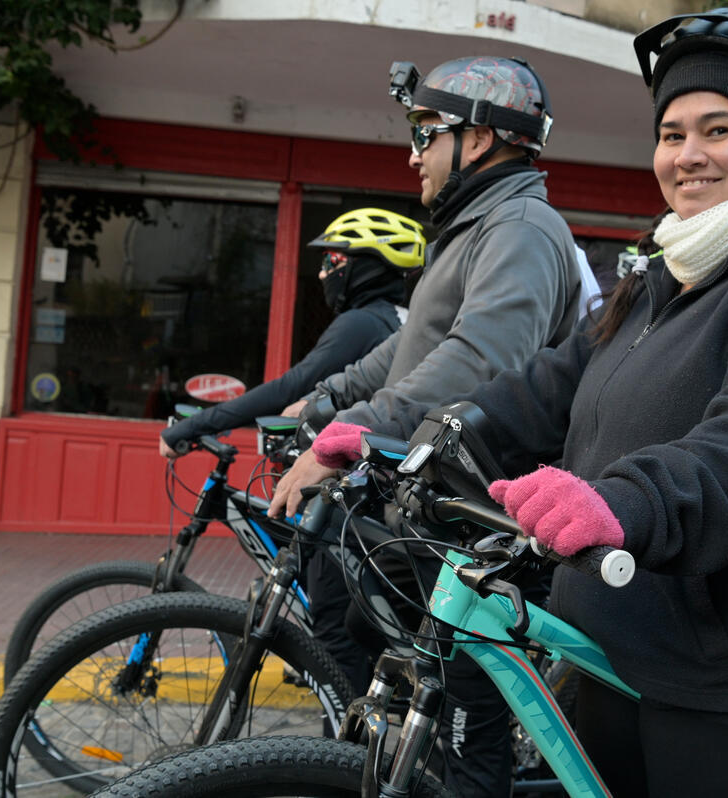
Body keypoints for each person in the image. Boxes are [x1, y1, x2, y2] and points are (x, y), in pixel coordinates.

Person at [274, 9, 728, 796]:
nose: (689, 155)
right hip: (610, 647)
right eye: (672, 134)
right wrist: (399, 439)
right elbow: (540, 392)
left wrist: (619, 501)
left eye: (719, 129)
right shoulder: (661, 274)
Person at [270, 55, 588, 797]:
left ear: (476, 140)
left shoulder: (522, 229)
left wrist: (348, 435)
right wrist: (326, 402)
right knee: (359, 631)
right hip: (432, 508)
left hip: (480, 520)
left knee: (467, 734)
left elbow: (479, 362)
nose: (411, 153)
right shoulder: (474, 226)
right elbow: (410, 345)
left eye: (425, 131)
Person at [158, 208, 424, 456]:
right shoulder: (400, 317)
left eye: (332, 261)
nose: (322, 275)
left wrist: (193, 426)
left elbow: (290, 388)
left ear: (366, 267)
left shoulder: (362, 322)